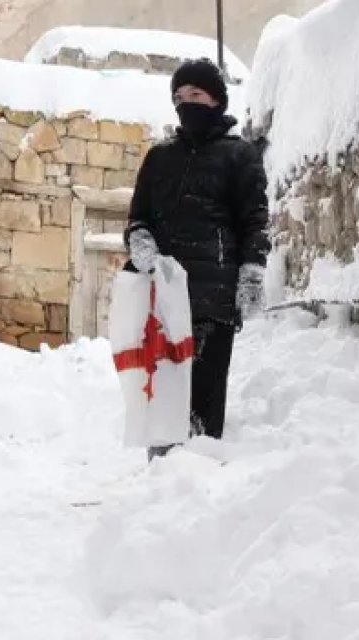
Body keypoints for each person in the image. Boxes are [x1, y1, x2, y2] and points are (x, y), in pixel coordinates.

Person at [124, 58, 270, 458]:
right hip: (163, 299)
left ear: (217, 99)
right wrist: (139, 241)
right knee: (163, 398)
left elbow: (255, 222)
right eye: (179, 96)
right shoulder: (159, 158)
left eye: (196, 95)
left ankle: (199, 483)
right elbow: (139, 217)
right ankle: (161, 479)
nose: (186, 103)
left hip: (212, 298)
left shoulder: (239, 156)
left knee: (203, 401)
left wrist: (252, 272)